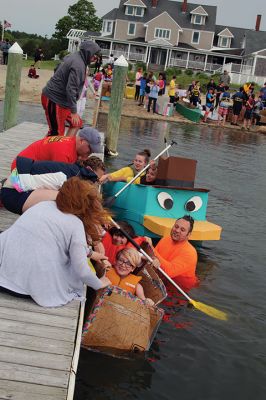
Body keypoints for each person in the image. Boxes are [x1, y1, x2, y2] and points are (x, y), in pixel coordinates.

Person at [0, 177, 111, 307]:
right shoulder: (75, 224)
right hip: (30, 289)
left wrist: (90, 253)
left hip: (4, 275)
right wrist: (99, 283)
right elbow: (81, 269)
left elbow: (46, 238)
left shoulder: (42, 205)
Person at [42, 41, 101, 136]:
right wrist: (74, 111)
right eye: (94, 55)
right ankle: (44, 150)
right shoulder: (78, 65)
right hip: (54, 99)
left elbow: (57, 68)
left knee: (76, 124)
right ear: (88, 53)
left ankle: (64, 147)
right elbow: (71, 89)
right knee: (55, 133)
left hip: (63, 102)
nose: (95, 58)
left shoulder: (74, 56)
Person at [10, 126, 102, 171]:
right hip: (20, 170)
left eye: (93, 151)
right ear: (81, 141)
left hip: (24, 164)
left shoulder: (70, 142)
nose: (91, 152)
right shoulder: (64, 152)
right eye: (90, 149)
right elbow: (61, 180)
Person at [153, 215, 198, 291]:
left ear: (189, 235)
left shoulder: (190, 253)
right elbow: (153, 256)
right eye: (176, 226)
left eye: (182, 230)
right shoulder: (165, 239)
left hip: (179, 289)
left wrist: (151, 248)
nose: (177, 230)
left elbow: (169, 271)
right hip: (162, 281)